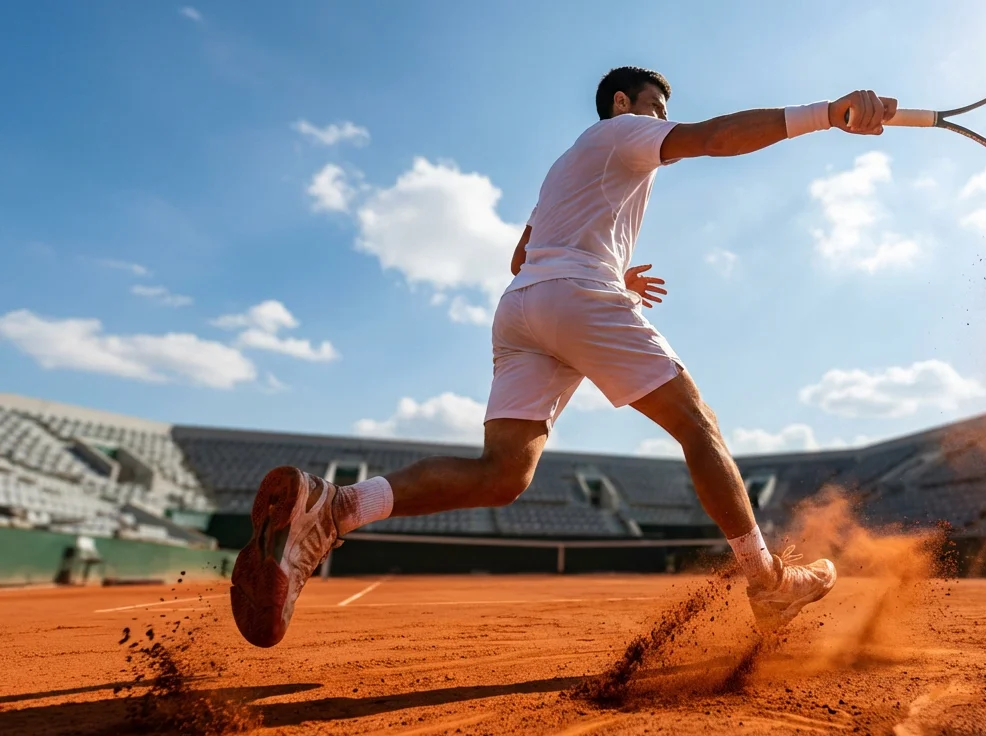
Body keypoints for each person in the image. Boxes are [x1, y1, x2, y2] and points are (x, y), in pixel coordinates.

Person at [231, 66, 898, 648]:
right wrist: (828, 115)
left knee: (501, 475)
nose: (662, 122)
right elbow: (716, 138)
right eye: (655, 108)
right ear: (621, 104)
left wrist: (610, 270)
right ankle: (768, 581)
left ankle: (336, 506)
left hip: (523, 307)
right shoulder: (620, 132)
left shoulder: (567, 167)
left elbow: (521, 255)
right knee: (698, 427)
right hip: (573, 295)